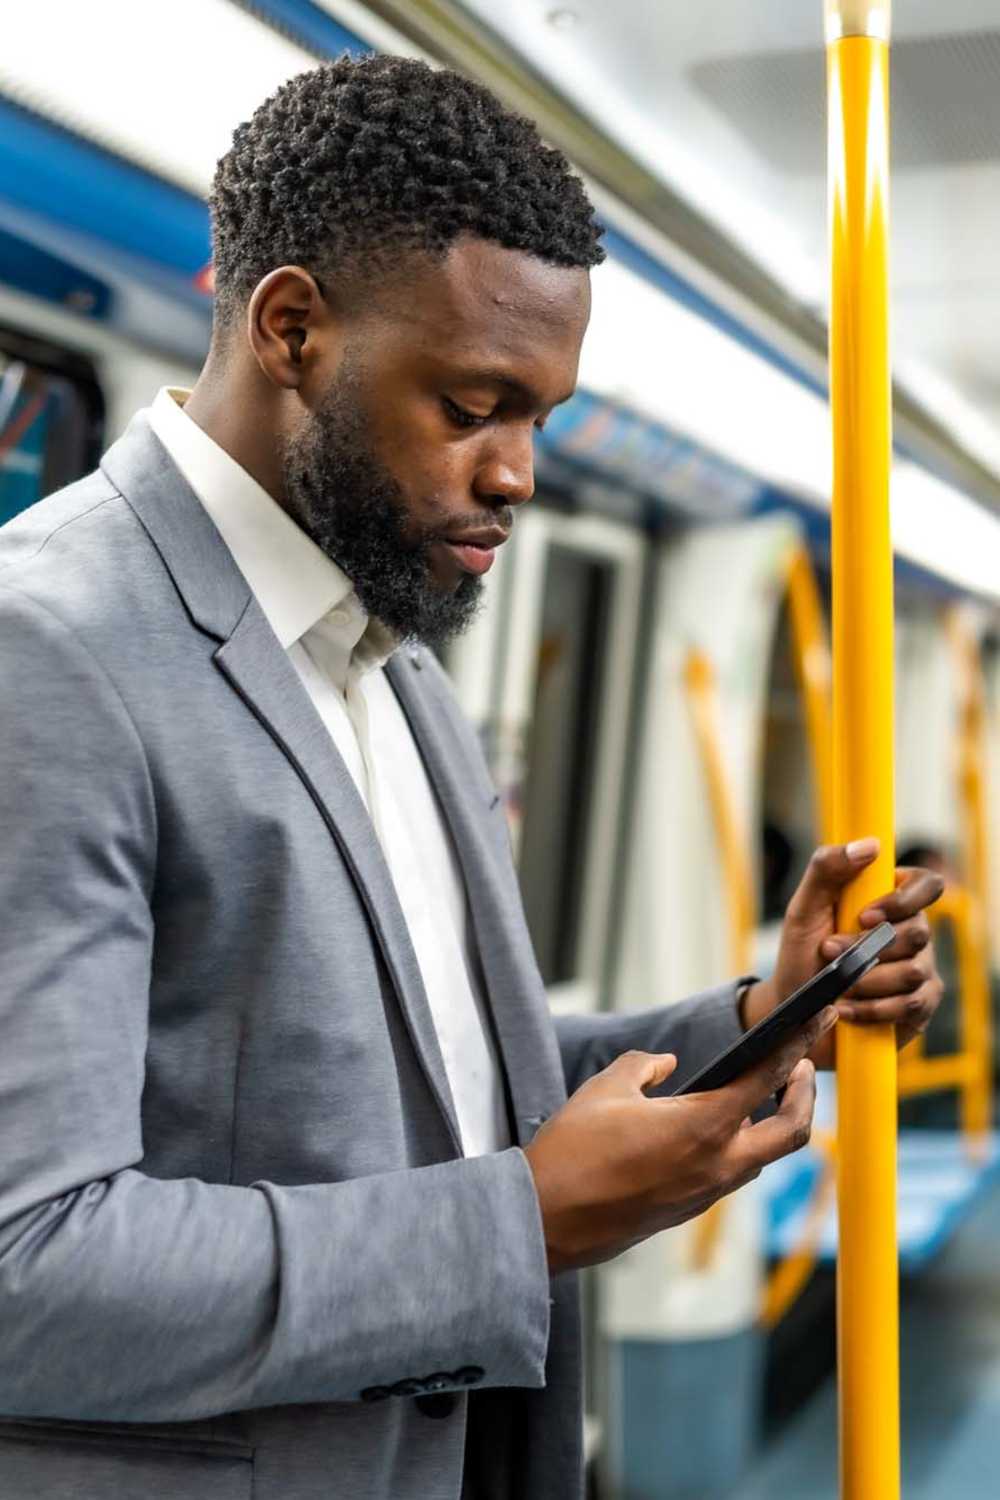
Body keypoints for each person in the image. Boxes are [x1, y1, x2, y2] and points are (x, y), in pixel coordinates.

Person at [0, 55, 944, 1500]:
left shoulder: (398, 663)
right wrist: (521, 1227)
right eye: (473, 405)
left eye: (542, 420)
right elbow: (28, 1273)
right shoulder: (48, 651)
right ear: (293, 329)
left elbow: (451, 1085)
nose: (517, 475)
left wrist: (758, 1018)